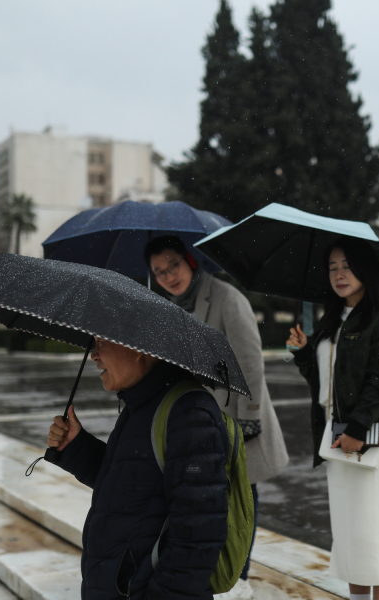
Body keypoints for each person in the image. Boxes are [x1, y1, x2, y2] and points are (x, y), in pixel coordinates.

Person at [144, 235, 289, 600]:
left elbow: (250, 359)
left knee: (242, 497)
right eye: (158, 272)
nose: (168, 276)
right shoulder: (172, 306)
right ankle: (220, 571)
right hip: (204, 421)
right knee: (213, 500)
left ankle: (239, 576)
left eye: (173, 265)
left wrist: (250, 417)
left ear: (189, 260)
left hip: (239, 419)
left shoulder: (226, 298)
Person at [47, 337, 229, 599]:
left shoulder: (189, 414)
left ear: (137, 349)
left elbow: (198, 535)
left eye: (102, 343)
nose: (94, 355)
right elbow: (130, 487)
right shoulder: (141, 406)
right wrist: (76, 447)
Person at [286, 237, 379, 600]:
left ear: (365, 269)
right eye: (333, 267)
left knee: (376, 532)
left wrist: (356, 429)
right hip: (335, 438)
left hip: (371, 438)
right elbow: (325, 385)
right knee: (350, 532)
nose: (339, 274)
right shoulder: (332, 320)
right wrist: (305, 354)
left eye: (347, 265)